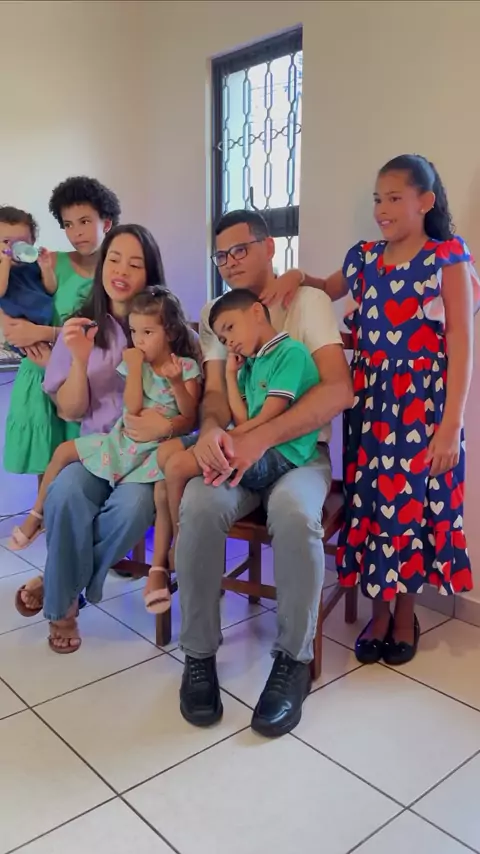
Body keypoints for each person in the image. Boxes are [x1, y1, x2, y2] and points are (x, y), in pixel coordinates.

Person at [174, 209, 353, 737]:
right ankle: (199, 655)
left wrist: (260, 437)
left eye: (240, 250)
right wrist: (212, 431)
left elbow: (338, 390)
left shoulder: (307, 302)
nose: (229, 262)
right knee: (199, 505)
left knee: (295, 514)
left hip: (301, 453)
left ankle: (292, 660)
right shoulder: (216, 314)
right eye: (220, 255)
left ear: (268, 246)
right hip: (238, 449)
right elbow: (214, 395)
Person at [317, 154, 477, 666]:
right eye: (377, 199)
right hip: (369, 409)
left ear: (425, 202)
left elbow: (462, 344)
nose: (381, 209)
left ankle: (405, 615)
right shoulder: (365, 258)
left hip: (423, 410)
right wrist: (294, 277)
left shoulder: (446, 257)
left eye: (393, 198)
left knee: (410, 510)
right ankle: (378, 613)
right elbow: (323, 290)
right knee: (370, 505)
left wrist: (451, 426)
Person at [13, 225, 197, 653]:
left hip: (148, 459)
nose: (121, 271)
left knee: (132, 509)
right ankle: (64, 605)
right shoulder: (80, 327)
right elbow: (70, 411)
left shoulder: (170, 329)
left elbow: (193, 411)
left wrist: (166, 427)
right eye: (113, 259)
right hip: (99, 447)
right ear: (101, 266)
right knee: (64, 495)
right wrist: (79, 360)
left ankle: (59, 588)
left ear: (150, 272)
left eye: (135, 263)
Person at [157, 288, 321, 564]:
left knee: (176, 467)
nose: (229, 342)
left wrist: (222, 436)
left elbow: (268, 418)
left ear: (256, 312)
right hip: (250, 439)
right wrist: (231, 374)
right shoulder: (251, 363)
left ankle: (180, 547)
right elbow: (244, 419)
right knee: (165, 452)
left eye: (230, 328)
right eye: (222, 339)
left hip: (280, 451)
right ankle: (188, 539)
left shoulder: (290, 353)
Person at [2, 176, 121, 482]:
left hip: (89, 382)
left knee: (85, 475)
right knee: (47, 473)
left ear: (106, 223)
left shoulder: (117, 272)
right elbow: (10, 296)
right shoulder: (51, 262)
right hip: (38, 375)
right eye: (68, 224)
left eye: (84, 221)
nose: (76, 232)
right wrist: (8, 324)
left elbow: (110, 333)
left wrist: (44, 334)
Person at [0, 205, 57, 355]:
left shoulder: (32, 264)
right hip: (18, 325)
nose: (13, 248)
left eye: (21, 242)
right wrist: (5, 263)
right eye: (6, 241)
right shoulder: (2, 267)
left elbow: (51, 289)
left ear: (32, 243)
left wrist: (46, 268)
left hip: (44, 322)